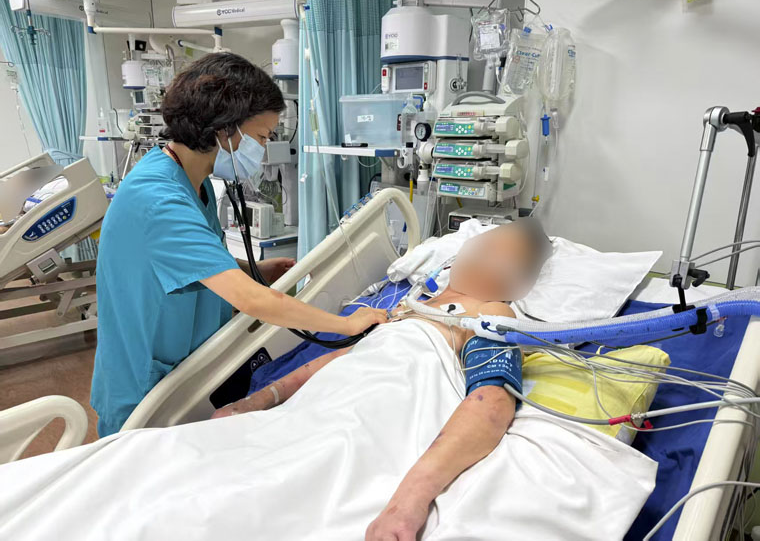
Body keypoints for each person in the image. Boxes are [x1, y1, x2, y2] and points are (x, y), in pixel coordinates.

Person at [91, 53, 386, 437]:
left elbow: (189, 261)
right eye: (261, 137)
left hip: (185, 375)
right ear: (224, 129)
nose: (262, 150)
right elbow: (252, 301)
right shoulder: (158, 198)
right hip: (144, 388)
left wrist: (252, 269)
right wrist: (347, 324)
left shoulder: (191, 180)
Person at [211, 221, 552, 540]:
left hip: (375, 412)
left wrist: (408, 502)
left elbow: (492, 403)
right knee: (222, 472)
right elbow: (344, 358)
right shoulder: (411, 305)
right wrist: (260, 399)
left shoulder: (492, 312)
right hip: (322, 401)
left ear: (520, 283)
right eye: (485, 242)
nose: (482, 252)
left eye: (501, 254)